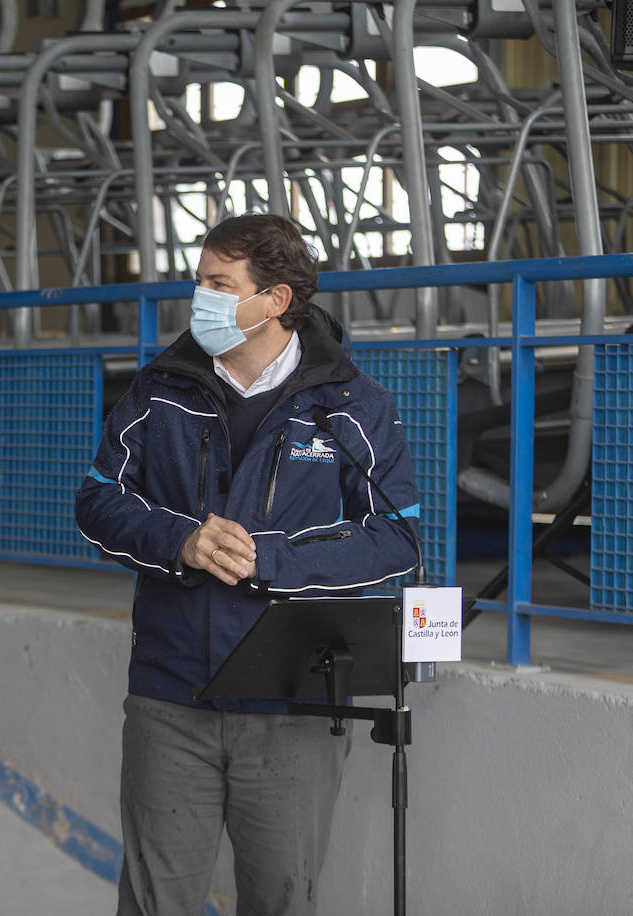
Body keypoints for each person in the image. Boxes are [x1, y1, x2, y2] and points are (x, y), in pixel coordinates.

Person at [74, 214, 421, 916]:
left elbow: (396, 538)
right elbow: (98, 501)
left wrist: (275, 559)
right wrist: (182, 541)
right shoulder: (158, 391)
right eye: (199, 280)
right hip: (171, 695)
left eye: (217, 283)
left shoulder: (352, 408)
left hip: (293, 702)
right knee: (152, 902)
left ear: (276, 300)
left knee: (282, 901)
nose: (199, 297)